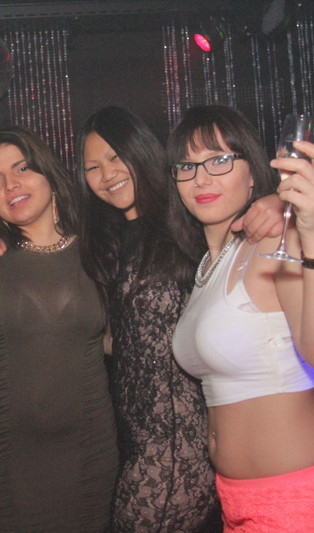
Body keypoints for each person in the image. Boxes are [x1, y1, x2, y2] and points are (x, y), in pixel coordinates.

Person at [75, 106, 284, 532]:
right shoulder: (108, 242)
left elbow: (244, 222)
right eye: (92, 167)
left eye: (115, 156)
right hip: (134, 446)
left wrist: (275, 202)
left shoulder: (184, 224)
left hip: (179, 456)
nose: (107, 174)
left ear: (141, 151)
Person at [167, 104, 314, 532]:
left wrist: (311, 230)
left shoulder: (273, 241)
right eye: (187, 166)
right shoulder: (206, 267)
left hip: (299, 501)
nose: (201, 178)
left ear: (253, 172)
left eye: (219, 160)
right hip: (235, 499)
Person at [0, 125, 119, 532]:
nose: (10, 185)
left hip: (89, 440)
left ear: (48, 171)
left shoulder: (98, 246)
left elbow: (118, 340)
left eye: (22, 168)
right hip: (10, 446)